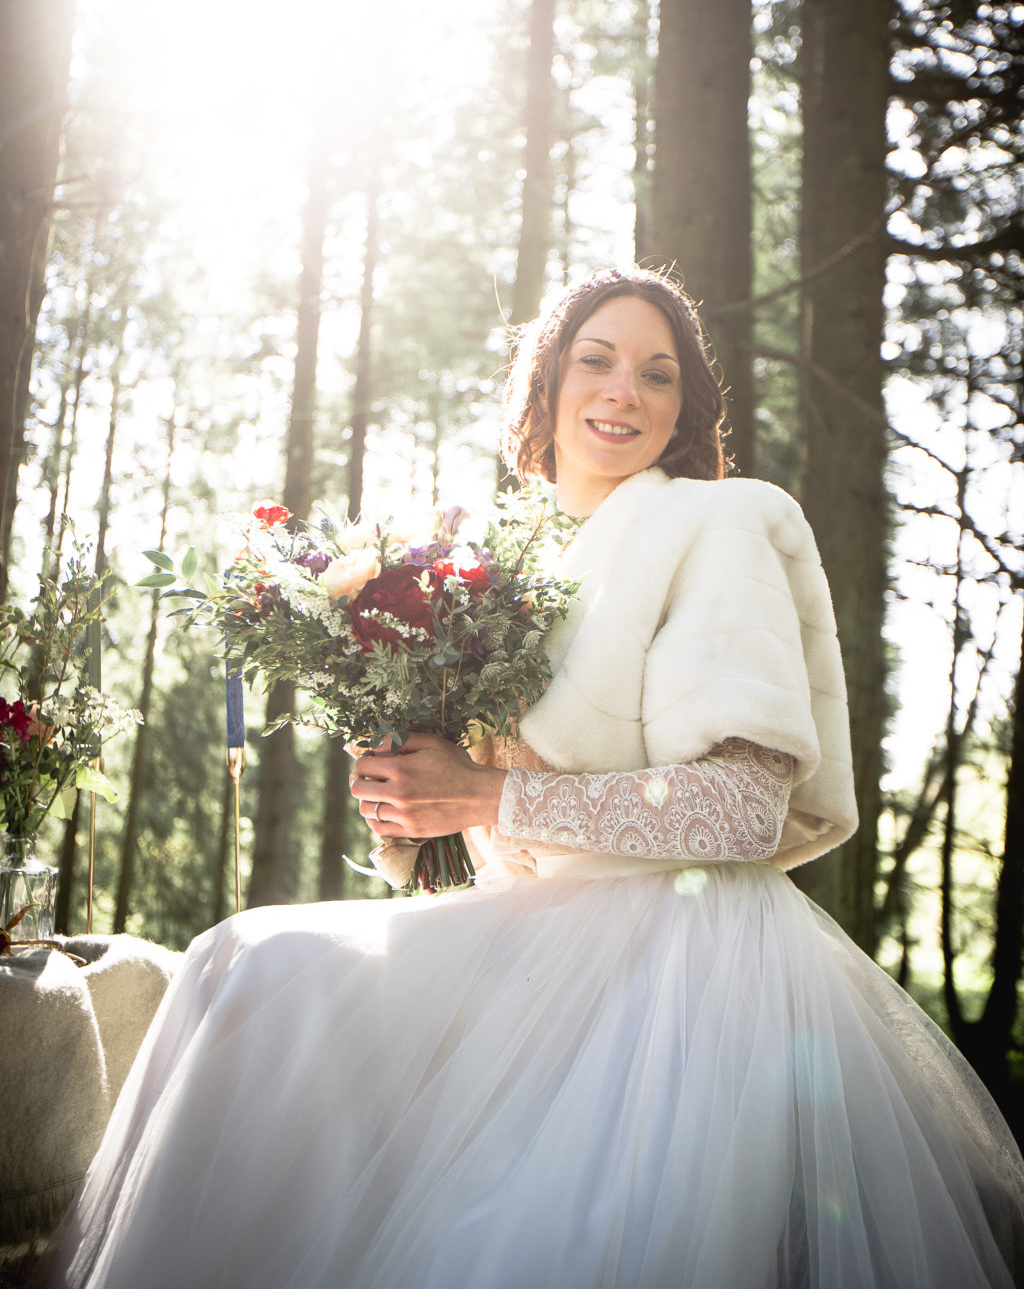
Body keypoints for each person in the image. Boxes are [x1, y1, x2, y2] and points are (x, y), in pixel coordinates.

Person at [42, 269, 1024, 1289]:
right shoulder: (513, 573)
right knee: (230, 967)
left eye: (657, 373)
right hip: (538, 940)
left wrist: (482, 795)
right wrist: (411, 814)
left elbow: (743, 804)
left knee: (257, 969)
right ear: (545, 386)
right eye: (594, 361)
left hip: (669, 960)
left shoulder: (716, 523)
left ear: (684, 408)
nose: (622, 391)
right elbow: (499, 841)